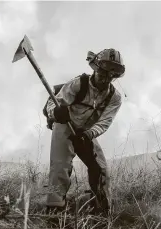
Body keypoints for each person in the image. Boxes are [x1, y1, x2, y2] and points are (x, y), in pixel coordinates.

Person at [44, 48, 125, 215]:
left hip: (86, 132)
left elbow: (104, 122)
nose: (106, 78)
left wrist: (88, 134)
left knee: (101, 168)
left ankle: (100, 211)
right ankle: (55, 212)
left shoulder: (114, 97)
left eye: (112, 75)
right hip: (64, 125)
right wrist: (56, 113)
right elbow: (54, 103)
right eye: (103, 72)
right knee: (60, 167)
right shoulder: (78, 84)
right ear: (95, 68)